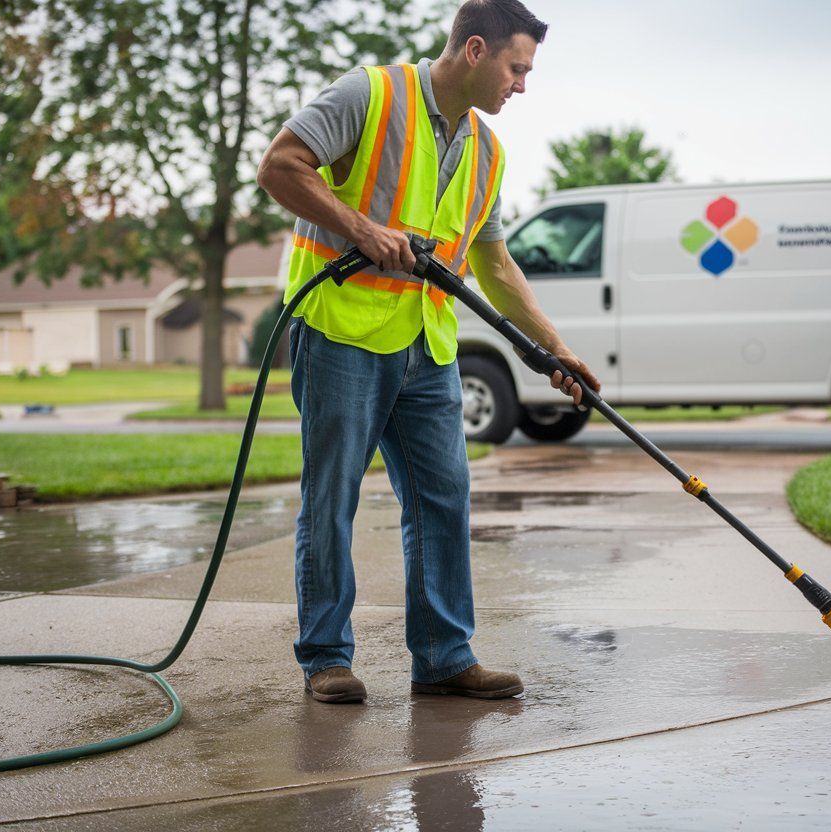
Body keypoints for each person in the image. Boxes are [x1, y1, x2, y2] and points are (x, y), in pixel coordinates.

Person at [256, 0, 599, 704]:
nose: (522, 85)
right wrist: (360, 227)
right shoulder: (371, 94)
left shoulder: (487, 150)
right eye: (516, 67)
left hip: (427, 346)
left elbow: (496, 265)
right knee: (332, 499)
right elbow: (281, 166)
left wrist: (556, 348)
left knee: (443, 498)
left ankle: (444, 657)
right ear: (475, 50)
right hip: (341, 332)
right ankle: (326, 658)